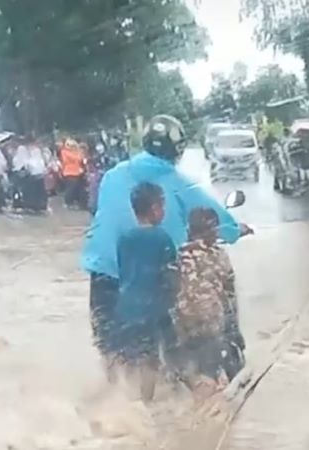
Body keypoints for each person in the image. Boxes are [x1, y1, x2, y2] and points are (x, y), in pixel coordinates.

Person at [81, 114, 251, 366]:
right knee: (177, 341)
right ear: (178, 150)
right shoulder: (180, 184)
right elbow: (217, 219)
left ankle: (116, 396)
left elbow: (98, 212)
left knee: (110, 351)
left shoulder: (112, 175)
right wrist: (237, 229)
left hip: (103, 274)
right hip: (152, 280)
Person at [110, 182, 177, 402]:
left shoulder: (124, 238)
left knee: (129, 358)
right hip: (152, 309)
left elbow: (124, 271)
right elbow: (170, 275)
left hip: (125, 306)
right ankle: (146, 405)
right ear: (156, 208)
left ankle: (124, 402)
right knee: (151, 361)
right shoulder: (162, 239)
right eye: (163, 206)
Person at [173, 208, 245, 394]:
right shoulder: (217, 256)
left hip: (185, 331)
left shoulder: (177, 256)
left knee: (192, 378)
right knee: (220, 379)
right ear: (211, 230)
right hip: (212, 329)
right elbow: (229, 298)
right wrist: (236, 333)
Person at [60, 139, 86, 209]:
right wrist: (76, 156)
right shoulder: (64, 152)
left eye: (73, 146)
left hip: (77, 172)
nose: (71, 147)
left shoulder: (76, 152)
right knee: (70, 188)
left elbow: (81, 159)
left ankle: (74, 201)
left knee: (76, 188)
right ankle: (67, 202)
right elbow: (69, 159)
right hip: (69, 172)